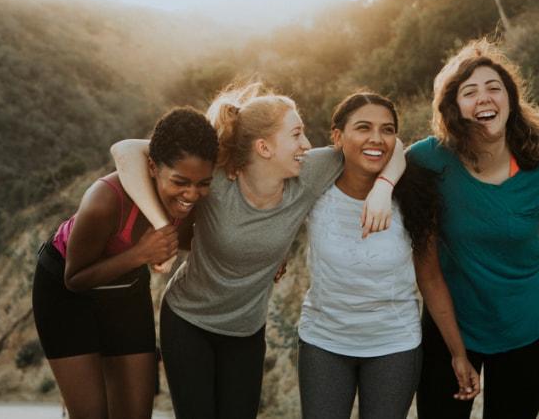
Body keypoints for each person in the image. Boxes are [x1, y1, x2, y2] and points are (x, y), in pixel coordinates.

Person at [110, 82, 405, 419]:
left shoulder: (309, 172)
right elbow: (125, 151)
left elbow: (388, 147)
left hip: (246, 332)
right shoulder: (217, 177)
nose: (307, 145)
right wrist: (162, 226)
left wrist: (383, 188)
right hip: (188, 321)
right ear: (264, 147)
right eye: (296, 135)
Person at [410, 38, 539, 419]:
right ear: (454, 107)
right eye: (469, 91)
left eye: (495, 88)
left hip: (528, 330)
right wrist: (380, 189)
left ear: (510, 99)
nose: (485, 97)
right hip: (450, 328)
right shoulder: (430, 158)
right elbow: (383, 156)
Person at [297, 92, 480, 419]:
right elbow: (272, 209)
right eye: (363, 128)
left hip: (394, 345)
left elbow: (431, 278)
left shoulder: (414, 198)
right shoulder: (315, 185)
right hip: (323, 340)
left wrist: (458, 353)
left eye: (387, 129)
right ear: (337, 137)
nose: (376, 139)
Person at [31, 106, 218, 419]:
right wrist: (140, 255)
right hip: (65, 295)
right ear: (153, 167)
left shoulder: (191, 202)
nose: (191, 194)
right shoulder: (105, 200)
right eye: (181, 181)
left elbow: (198, 240)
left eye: (203, 183)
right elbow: (74, 279)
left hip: (126, 291)